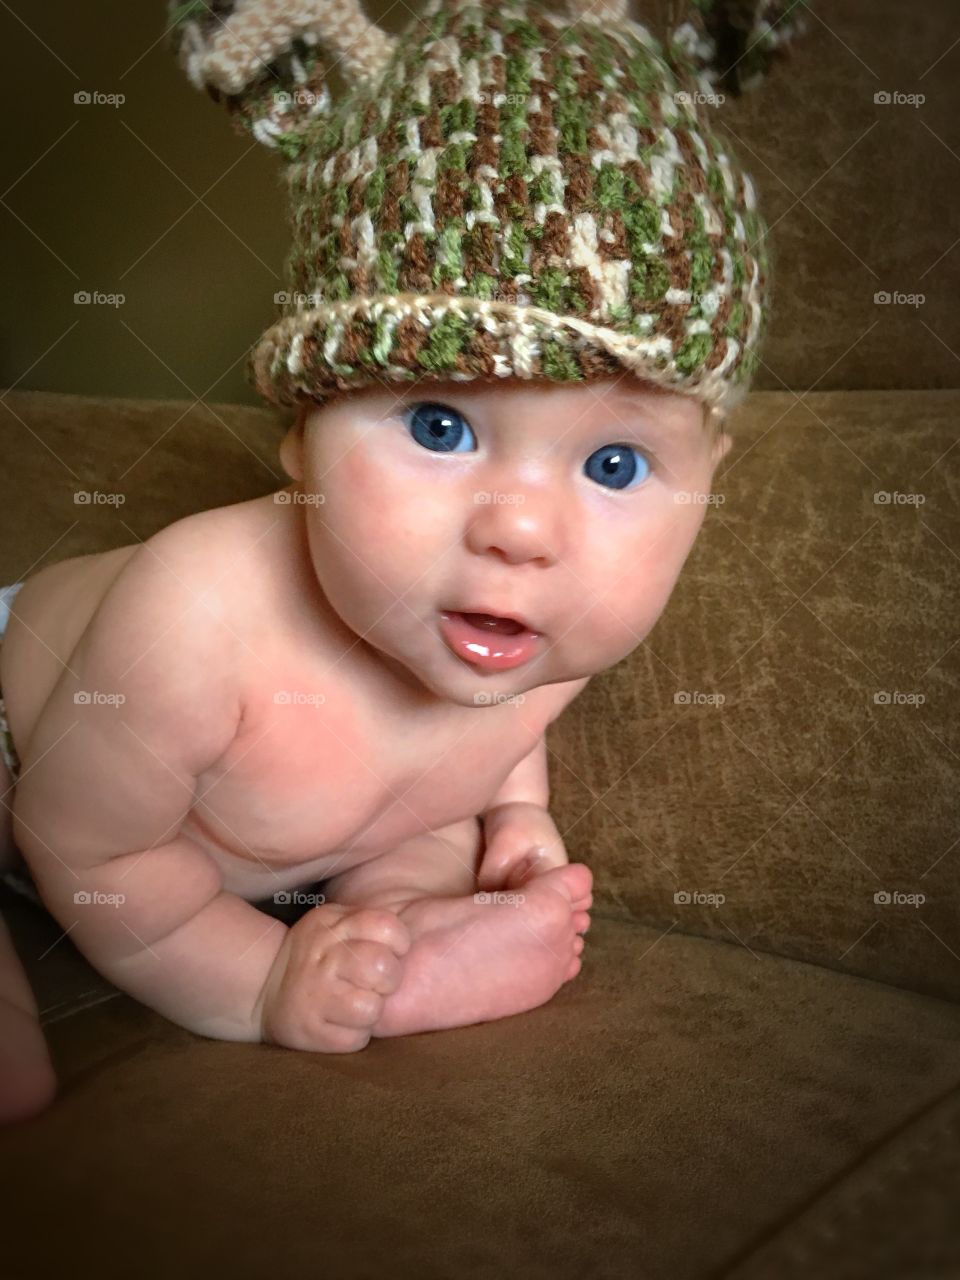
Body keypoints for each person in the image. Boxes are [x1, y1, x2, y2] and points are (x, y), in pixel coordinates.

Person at [0, 0, 807, 1121]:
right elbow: (82, 844)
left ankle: (406, 943)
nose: (523, 533)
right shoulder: (197, 614)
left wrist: (515, 815)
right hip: (32, 751)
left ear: (708, 474)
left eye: (615, 463)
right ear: (299, 432)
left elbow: (508, 720)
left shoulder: (532, 622)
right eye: (440, 426)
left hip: (300, 836)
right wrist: (262, 978)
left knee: (425, 832)